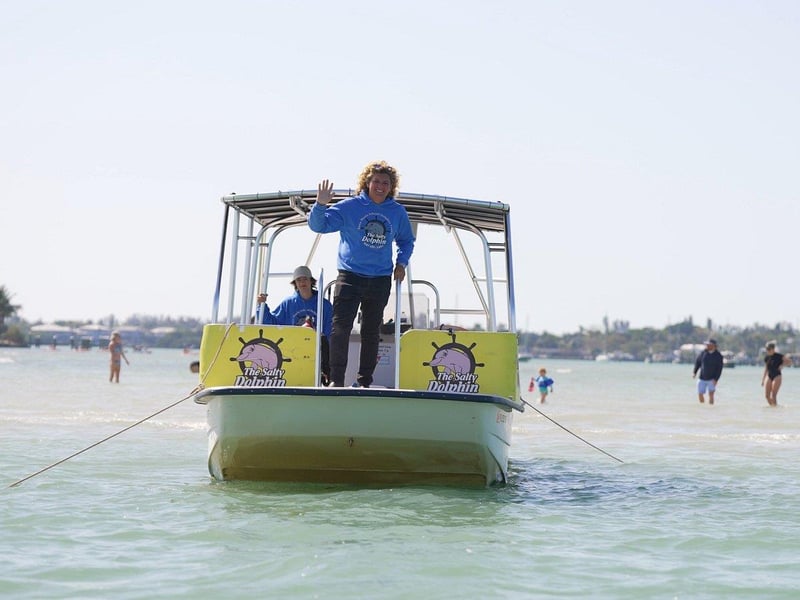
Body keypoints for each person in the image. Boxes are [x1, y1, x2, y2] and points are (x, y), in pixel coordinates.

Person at [309, 161, 415, 387]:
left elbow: (406, 241)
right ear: (367, 183)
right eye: (376, 181)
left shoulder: (397, 212)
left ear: (391, 187)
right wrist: (320, 205)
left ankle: (364, 381)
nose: (380, 186)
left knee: (371, 331)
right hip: (349, 277)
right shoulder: (350, 207)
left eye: (385, 183)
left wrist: (402, 263)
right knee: (340, 330)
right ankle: (336, 381)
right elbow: (319, 226)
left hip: (380, 279)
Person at [255, 265, 334, 385]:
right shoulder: (288, 303)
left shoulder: (325, 305)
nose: (302, 282)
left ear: (311, 281)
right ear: (295, 283)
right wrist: (261, 306)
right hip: (293, 352)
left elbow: (330, 331)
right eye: (299, 280)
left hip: (317, 352)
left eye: (305, 279)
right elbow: (272, 323)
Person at [692, 338, 723, 404]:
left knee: (711, 394)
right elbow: (698, 362)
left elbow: (719, 369)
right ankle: (702, 407)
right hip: (702, 378)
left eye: (708, 345)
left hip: (712, 379)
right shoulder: (703, 353)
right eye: (707, 345)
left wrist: (716, 379)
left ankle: (711, 409)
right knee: (700, 394)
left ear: (713, 346)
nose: (707, 346)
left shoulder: (718, 356)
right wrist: (694, 372)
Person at [761, 341, 791, 407]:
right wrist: (763, 380)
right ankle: (774, 408)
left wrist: (782, 365)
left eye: (769, 349)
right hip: (769, 376)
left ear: (773, 349)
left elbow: (789, 362)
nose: (767, 350)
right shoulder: (766, 357)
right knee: (767, 396)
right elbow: (766, 369)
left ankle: (775, 410)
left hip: (777, 376)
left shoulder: (779, 356)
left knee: (773, 395)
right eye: (766, 349)